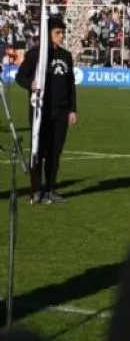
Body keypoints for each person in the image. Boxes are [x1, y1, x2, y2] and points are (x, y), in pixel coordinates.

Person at [15, 17, 77, 204]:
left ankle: (51, 188)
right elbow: (20, 77)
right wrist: (30, 84)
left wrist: (73, 110)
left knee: (54, 153)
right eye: (57, 32)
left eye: (62, 32)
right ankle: (36, 190)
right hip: (40, 111)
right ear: (48, 34)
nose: (61, 36)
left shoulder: (66, 56)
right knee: (38, 152)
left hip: (61, 112)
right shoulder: (36, 55)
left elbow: (70, 84)